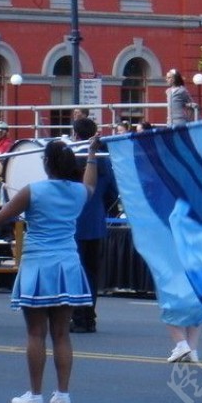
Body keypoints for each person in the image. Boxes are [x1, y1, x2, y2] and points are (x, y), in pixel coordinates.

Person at [0, 138, 99, 403]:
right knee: (61, 334)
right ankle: (63, 394)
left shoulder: (33, 190)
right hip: (67, 265)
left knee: (36, 333)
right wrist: (92, 155)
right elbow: (91, 184)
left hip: (38, 265)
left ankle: (35, 395)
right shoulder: (79, 192)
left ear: (47, 164)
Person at [70, 117, 118, 333]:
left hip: (75, 221)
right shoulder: (104, 159)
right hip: (96, 221)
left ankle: (80, 316)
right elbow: (112, 193)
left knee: (77, 272)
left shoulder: (74, 156)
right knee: (91, 272)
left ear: (76, 134)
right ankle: (89, 315)